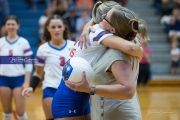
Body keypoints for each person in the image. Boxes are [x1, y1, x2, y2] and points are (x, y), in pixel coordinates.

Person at [52, 1, 148, 120]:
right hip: (70, 95)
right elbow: (131, 48)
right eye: (104, 15)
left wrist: (88, 25)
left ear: (113, 28)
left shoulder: (96, 31)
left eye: (106, 17)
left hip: (83, 94)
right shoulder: (97, 33)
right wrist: (140, 52)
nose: (103, 17)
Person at [22, 15, 75, 120]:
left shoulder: (74, 46)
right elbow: (38, 73)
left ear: (64, 27)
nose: (56, 30)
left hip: (71, 89)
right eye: (53, 27)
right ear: (47, 28)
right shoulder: (42, 49)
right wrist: (31, 87)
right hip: (50, 89)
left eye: (59, 26)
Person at [0, 15, 33, 120]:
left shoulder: (23, 42)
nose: (10, 26)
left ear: (17, 26)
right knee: (6, 111)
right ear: (5, 26)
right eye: (8, 24)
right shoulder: (1, 42)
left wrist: (27, 82)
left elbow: (28, 63)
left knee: (20, 112)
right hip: (3, 79)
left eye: (13, 24)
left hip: (19, 79)